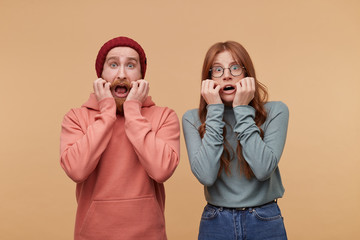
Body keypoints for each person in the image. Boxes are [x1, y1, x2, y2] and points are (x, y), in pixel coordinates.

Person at [60, 36, 180, 240]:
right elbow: (76, 170)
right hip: (93, 234)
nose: (122, 73)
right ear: (101, 75)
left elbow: (161, 170)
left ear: (142, 76)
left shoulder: (164, 116)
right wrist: (106, 113)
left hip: (149, 235)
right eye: (113, 64)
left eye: (131, 65)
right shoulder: (76, 117)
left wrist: (133, 111)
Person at [182, 41, 289, 240]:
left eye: (235, 67)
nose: (226, 75)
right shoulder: (192, 119)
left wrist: (242, 109)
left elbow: (263, 169)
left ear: (247, 74)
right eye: (217, 70)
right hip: (216, 221)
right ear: (207, 79)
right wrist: (214, 110)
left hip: (264, 219)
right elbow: (206, 176)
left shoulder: (276, 111)